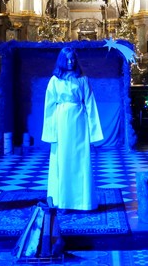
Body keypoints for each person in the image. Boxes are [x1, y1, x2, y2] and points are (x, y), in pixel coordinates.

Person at [42, 47, 104, 210]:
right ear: (62, 60)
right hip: (61, 122)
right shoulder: (55, 80)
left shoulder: (82, 79)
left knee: (80, 160)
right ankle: (62, 201)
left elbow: (90, 104)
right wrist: (50, 132)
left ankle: (83, 202)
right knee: (63, 160)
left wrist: (93, 133)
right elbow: (49, 107)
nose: (70, 62)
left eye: (73, 59)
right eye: (67, 59)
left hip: (79, 123)